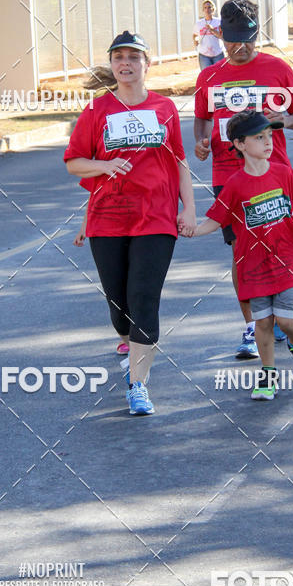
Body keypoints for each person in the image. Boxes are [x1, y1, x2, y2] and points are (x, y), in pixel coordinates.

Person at [64, 30, 197, 415]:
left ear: (146, 64)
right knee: (118, 303)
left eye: (133, 57)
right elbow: (74, 162)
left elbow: (179, 161)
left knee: (143, 298)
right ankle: (127, 338)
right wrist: (104, 164)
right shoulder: (96, 110)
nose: (126, 63)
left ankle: (137, 384)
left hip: (156, 216)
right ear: (112, 64)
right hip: (108, 218)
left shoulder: (165, 109)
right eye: (119, 57)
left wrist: (188, 207)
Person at [193, 0, 293, 359]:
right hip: (228, 177)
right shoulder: (208, 76)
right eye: (232, 40)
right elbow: (202, 118)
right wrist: (200, 140)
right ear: (220, 36)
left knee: (277, 246)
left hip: (273, 175)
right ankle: (253, 325)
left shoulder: (277, 68)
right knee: (242, 252)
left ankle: (281, 319)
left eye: (247, 39)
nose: (240, 48)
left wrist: (279, 121)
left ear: (257, 34)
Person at [183, 111, 293, 400]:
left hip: (286, 258)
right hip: (254, 264)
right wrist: (193, 230)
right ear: (239, 144)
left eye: (270, 136)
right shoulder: (234, 185)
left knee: (286, 322)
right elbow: (217, 219)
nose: (268, 142)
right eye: (259, 137)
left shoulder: (283, 173)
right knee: (262, 322)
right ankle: (268, 376)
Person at [73, 204, 128, 355]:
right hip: (106, 230)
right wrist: (85, 225)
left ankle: (140, 343)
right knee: (116, 295)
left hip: (144, 229)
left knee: (138, 291)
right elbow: (96, 192)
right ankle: (128, 338)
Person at [193, 0, 225, 71]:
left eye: (209, 7)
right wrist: (195, 40)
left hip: (218, 53)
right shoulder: (199, 23)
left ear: (213, 9)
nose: (207, 9)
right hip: (204, 55)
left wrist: (213, 30)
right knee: (207, 76)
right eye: (205, 8)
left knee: (220, 75)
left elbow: (223, 37)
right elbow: (195, 35)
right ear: (203, 10)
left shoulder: (219, 22)